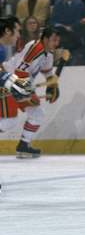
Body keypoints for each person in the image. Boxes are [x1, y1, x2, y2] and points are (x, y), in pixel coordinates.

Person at [0, 25, 60, 159]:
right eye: (53, 40)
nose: (56, 43)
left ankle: (23, 146)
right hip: (6, 80)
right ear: (44, 39)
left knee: (37, 114)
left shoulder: (48, 53)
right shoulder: (35, 49)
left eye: (58, 40)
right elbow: (19, 72)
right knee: (10, 120)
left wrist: (52, 85)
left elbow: (47, 71)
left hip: (16, 83)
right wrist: (28, 93)